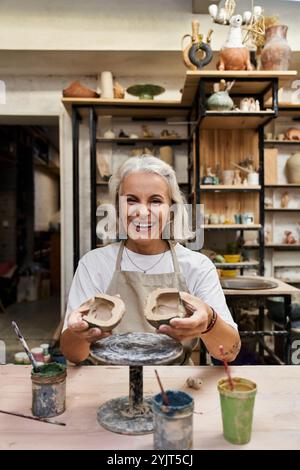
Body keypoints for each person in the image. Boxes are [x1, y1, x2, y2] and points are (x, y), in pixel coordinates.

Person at [60, 155, 240, 364]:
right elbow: (72, 354)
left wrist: (209, 320)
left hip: (173, 388)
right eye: (131, 200)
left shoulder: (197, 266)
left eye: (155, 201)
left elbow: (229, 352)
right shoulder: (94, 264)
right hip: (108, 383)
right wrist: (80, 334)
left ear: (171, 211)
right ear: (118, 209)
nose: (142, 212)